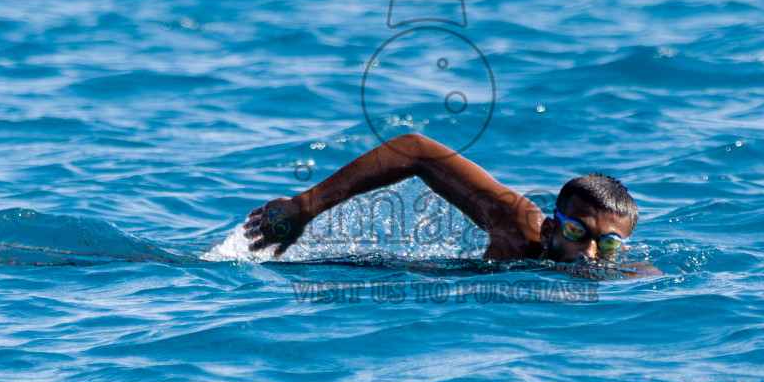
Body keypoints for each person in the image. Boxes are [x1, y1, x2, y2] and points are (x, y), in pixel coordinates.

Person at [244, 132, 654, 273]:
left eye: (609, 244)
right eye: (576, 231)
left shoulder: (629, 278)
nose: (589, 252)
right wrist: (306, 206)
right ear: (550, 228)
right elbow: (417, 150)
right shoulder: (516, 226)